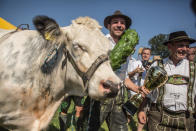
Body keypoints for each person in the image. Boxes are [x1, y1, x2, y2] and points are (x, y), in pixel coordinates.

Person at [85, 10, 149, 131]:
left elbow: (123, 77)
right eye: (115, 22)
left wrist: (137, 89)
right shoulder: (100, 42)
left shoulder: (127, 47)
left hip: (119, 97)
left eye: (122, 23)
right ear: (108, 26)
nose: (119, 25)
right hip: (100, 96)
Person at [138, 31, 196, 131]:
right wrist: (141, 110)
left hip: (186, 118)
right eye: (181, 45)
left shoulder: (193, 68)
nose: (185, 49)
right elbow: (146, 92)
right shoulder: (156, 65)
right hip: (158, 117)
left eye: (187, 46)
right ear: (170, 46)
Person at [126, 47, 151, 131]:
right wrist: (135, 72)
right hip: (134, 93)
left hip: (146, 95)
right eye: (144, 53)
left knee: (142, 116)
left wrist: (148, 72)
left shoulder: (151, 66)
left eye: (147, 54)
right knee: (128, 114)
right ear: (141, 54)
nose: (145, 55)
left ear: (150, 55)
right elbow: (127, 76)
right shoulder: (135, 63)